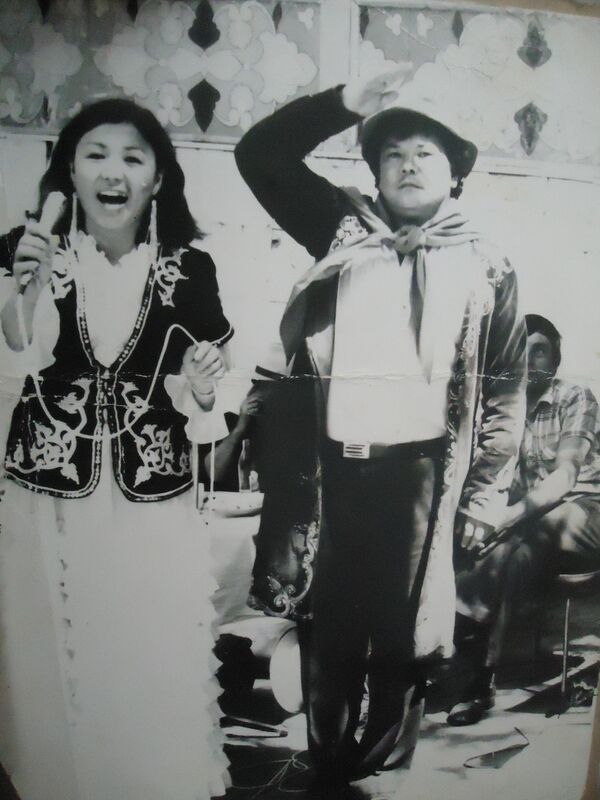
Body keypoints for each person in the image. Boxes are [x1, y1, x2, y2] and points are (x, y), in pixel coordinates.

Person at [235, 69, 526, 793]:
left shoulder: (487, 263)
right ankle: (329, 768)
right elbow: (260, 156)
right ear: (373, 171)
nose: (408, 164)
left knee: (404, 637)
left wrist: (485, 491)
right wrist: (344, 105)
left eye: (426, 152)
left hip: (423, 474)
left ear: (455, 172)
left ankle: (384, 771)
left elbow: (505, 385)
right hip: (331, 469)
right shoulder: (340, 228)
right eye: (392, 152)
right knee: (328, 628)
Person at [0, 99, 232, 799]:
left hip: (149, 502)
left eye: (133, 158)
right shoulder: (22, 249)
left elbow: (203, 392)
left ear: (157, 179)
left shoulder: (191, 270)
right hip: (47, 496)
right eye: (95, 154)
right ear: (68, 171)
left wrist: (198, 386)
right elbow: (15, 361)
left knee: (146, 654)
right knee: (52, 659)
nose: (113, 172)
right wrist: (25, 284)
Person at [447, 314, 600, 726]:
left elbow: (566, 477)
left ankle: (480, 674)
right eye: (522, 351)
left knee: (528, 536)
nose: (530, 360)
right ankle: (470, 667)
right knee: (488, 548)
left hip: (588, 509)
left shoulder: (575, 396)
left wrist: (509, 518)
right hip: (534, 518)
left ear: (556, 359)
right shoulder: (505, 410)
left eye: (540, 351)